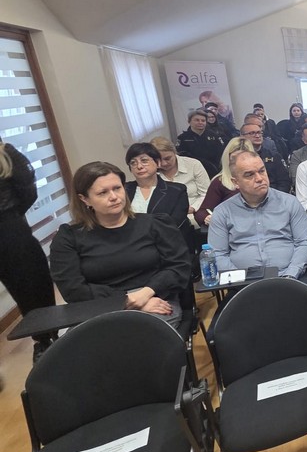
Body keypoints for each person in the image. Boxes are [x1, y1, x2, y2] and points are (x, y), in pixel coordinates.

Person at [50, 162, 191, 329]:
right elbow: (72, 289)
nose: (114, 197)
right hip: (98, 307)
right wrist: (127, 301)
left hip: (155, 299)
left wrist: (144, 294)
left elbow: (178, 266)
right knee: (87, 342)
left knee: (137, 336)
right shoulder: (68, 237)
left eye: (117, 188)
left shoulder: (155, 224)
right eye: (103, 193)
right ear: (84, 199)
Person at [207, 150, 307, 282]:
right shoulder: (223, 212)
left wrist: (290, 274)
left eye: (262, 171)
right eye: (249, 175)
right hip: (242, 283)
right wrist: (240, 280)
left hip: (290, 277)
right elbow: (218, 254)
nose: (259, 178)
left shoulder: (290, 203)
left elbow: (304, 243)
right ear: (235, 182)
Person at [0, 138, 57, 361]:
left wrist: (11, 217)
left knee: (31, 286)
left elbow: (28, 192)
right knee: (22, 288)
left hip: (10, 231)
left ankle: (45, 339)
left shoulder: (6, 153)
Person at [124, 143, 190, 237]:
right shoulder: (124, 190)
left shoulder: (177, 191)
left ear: (158, 163)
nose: (139, 166)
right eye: (133, 163)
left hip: (166, 241)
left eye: (144, 161)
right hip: (130, 241)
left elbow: (173, 224)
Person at [194, 137, 255, 226]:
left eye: (244, 158)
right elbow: (201, 212)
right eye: (234, 158)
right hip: (232, 228)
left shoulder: (259, 178)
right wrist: (207, 217)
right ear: (228, 158)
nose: (238, 161)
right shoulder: (219, 181)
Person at [152, 136, 210, 229]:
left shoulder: (193, 164)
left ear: (174, 152)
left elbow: (207, 194)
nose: (163, 163)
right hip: (165, 222)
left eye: (167, 158)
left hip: (195, 216)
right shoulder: (152, 172)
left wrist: (193, 208)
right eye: (157, 160)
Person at [240, 121, 290, 192]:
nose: (257, 136)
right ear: (242, 136)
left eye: (259, 132)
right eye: (252, 133)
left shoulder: (273, 156)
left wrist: (275, 196)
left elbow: (284, 181)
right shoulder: (238, 158)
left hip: (274, 193)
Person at [177, 109, 225, 176]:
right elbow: (182, 157)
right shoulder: (183, 138)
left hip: (214, 170)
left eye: (203, 120)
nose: (200, 122)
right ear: (189, 122)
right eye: (197, 120)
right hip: (193, 172)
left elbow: (221, 153)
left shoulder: (214, 136)